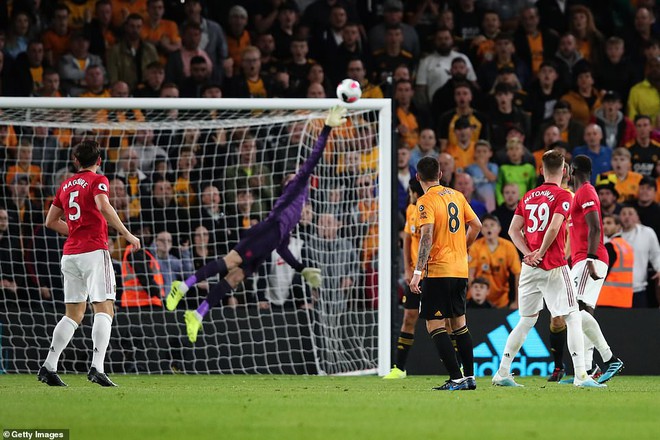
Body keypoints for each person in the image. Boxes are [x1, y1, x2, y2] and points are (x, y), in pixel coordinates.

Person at [165, 106, 348, 342]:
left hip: (270, 240)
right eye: (291, 176)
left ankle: (198, 314)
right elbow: (314, 158)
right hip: (264, 232)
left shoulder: (298, 207)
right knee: (230, 262)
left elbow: (282, 247)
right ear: (287, 183)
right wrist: (327, 128)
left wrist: (301, 269)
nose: (296, 175)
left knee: (234, 278)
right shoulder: (294, 191)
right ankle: (183, 285)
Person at [492, 150, 605, 388]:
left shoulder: (529, 196)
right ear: (564, 171)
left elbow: (513, 230)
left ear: (541, 170)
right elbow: (554, 228)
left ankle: (502, 372)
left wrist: (528, 254)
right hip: (553, 265)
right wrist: (541, 253)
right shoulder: (563, 195)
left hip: (529, 267)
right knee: (573, 315)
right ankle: (581, 376)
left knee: (526, 320)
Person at [38, 140, 141, 387]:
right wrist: (127, 234)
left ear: (75, 160)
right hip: (94, 251)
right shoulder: (98, 180)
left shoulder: (65, 184)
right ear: (99, 161)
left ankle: (49, 366)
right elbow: (103, 205)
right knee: (105, 309)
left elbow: (50, 221)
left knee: (73, 314)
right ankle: (97, 367)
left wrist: (74, 230)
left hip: (70, 254)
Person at [546, 155, 624, 383]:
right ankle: (589, 370)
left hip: (590, 259)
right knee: (581, 313)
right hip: (583, 259)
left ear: (574, 171)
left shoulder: (586, 191)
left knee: (574, 311)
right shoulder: (580, 193)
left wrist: (589, 258)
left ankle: (610, 359)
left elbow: (596, 227)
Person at [409, 156, 482, 391]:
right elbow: (477, 225)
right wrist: (464, 246)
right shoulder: (457, 196)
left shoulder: (425, 201)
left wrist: (417, 271)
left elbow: (427, 235)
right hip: (460, 269)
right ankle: (469, 377)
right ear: (440, 175)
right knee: (459, 323)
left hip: (438, 270)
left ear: (418, 177)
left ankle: (456, 378)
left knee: (434, 324)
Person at [384, 179, 425, 379]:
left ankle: (460, 368)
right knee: (409, 318)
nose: (410, 196)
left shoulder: (435, 208)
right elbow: (408, 239)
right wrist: (409, 269)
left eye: (411, 192)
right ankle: (399, 369)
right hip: (416, 276)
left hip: (436, 274)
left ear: (416, 192)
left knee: (447, 322)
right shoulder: (411, 210)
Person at [468, 214, 521, 309]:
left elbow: (518, 274)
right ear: (482, 229)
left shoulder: (508, 247)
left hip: (501, 300)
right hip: (479, 301)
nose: (489, 228)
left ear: (499, 228)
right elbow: (470, 275)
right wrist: (476, 295)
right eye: (485, 225)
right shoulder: (475, 247)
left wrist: (517, 302)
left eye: (492, 225)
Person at [619, 205, 660, 308]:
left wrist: (659, 269)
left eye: (630, 213)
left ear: (637, 217)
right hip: (617, 291)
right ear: (619, 217)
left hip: (639, 289)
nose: (627, 217)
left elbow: (656, 254)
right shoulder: (613, 234)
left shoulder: (647, 233)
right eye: (624, 214)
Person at [598, 214, 634, 308]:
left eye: (609, 223)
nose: (605, 226)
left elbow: (602, 272)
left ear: (618, 226)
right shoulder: (627, 246)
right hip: (625, 299)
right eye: (604, 223)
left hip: (608, 298)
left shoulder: (611, 246)